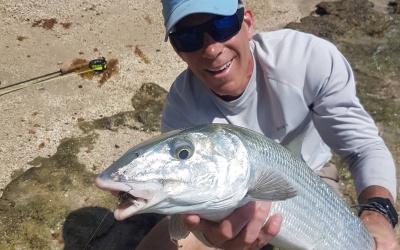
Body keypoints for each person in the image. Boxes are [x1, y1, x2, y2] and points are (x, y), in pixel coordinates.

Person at [136, 0, 399, 249]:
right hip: (224, 203)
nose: (211, 49)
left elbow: (361, 148)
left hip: (309, 183)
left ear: (247, 23)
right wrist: (212, 236)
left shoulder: (308, 59)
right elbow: (186, 205)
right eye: (188, 37)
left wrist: (378, 213)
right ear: (176, 49)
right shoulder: (181, 109)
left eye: (221, 26)